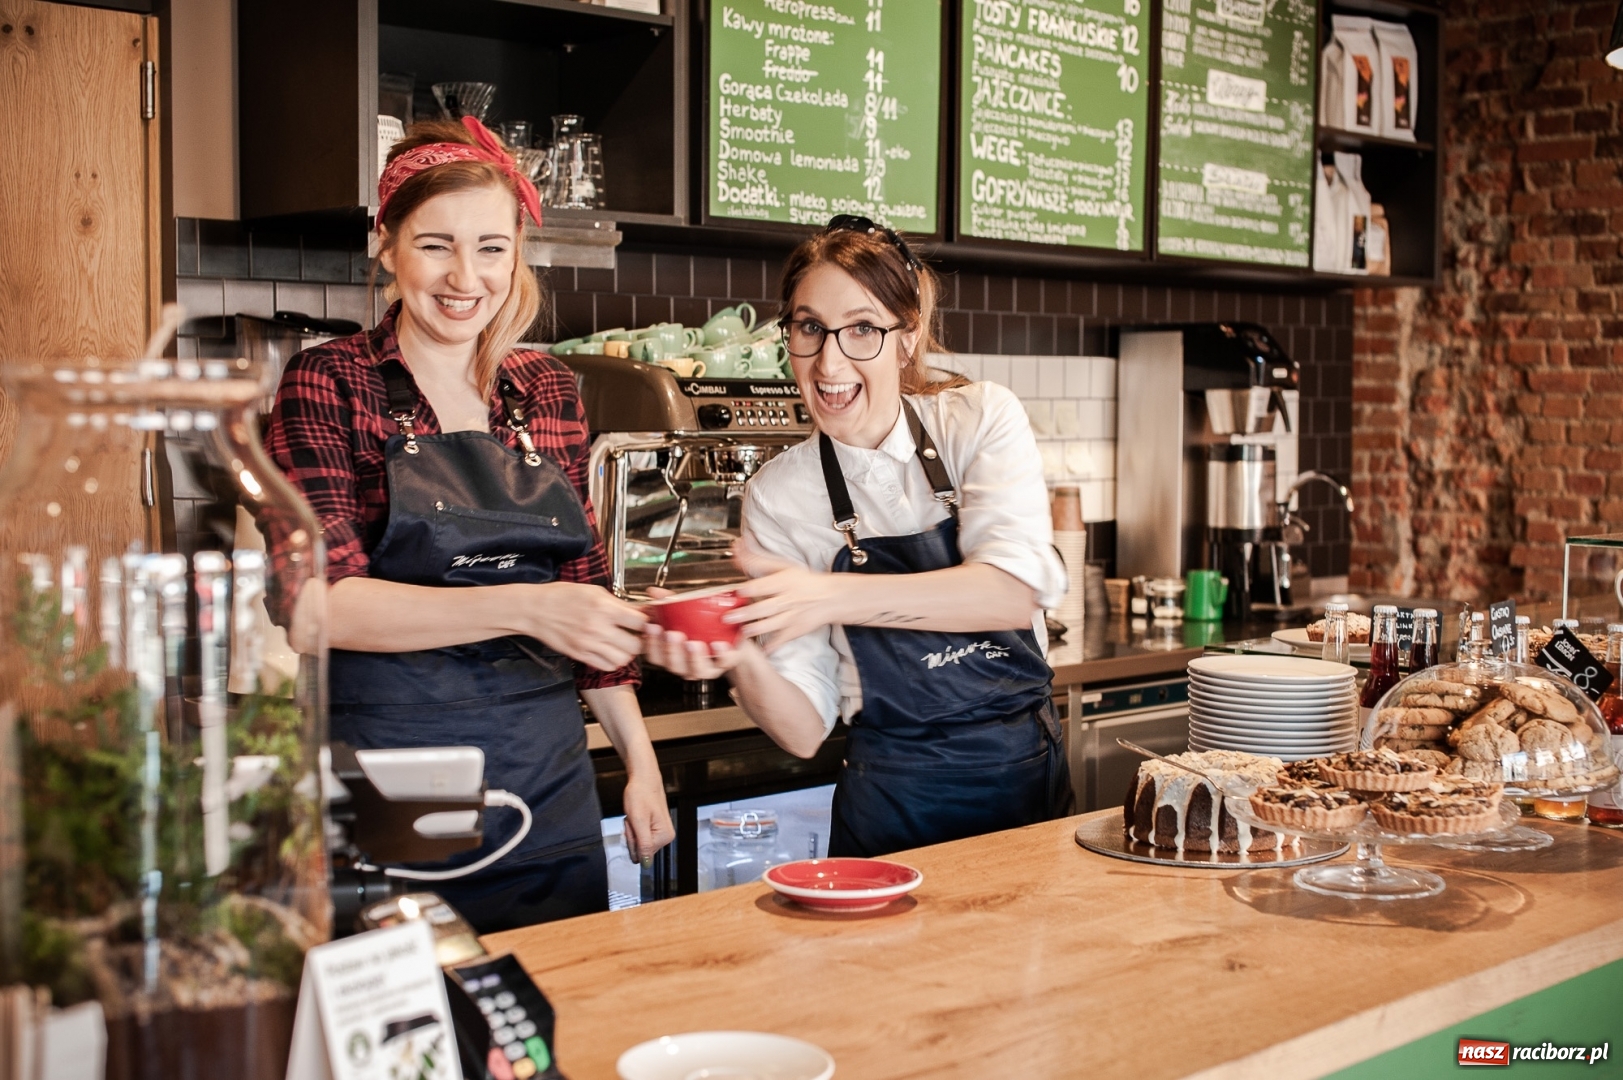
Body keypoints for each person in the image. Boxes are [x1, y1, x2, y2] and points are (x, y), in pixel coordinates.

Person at [265, 117, 672, 932]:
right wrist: (526, 607)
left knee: (555, 1024)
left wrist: (640, 762)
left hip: (546, 768)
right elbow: (316, 609)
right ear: (386, 244)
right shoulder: (329, 382)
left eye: (491, 247)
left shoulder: (545, 387)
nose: (466, 277)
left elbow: (581, 587)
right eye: (435, 245)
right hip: (393, 776)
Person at [646, 216, 1073, 857]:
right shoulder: (779, 495)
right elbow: (802, 730)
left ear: (907, 338)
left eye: (863, 329)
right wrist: (736, 654)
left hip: (1026, 791)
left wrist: (830, 597)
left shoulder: (977, 419)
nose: (830, 361)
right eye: (809, 328)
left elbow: (1012, 593)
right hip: (891, 808)